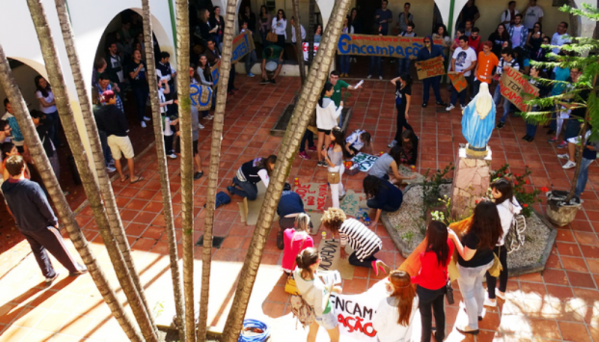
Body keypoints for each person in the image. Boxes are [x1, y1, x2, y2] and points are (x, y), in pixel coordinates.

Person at [2, 155, 87, 283]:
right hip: (40, 225)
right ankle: (74, 268)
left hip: (24, 226)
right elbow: (44, 206)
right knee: (59, 247)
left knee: (38, 250)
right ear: (23, 167)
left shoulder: (5, 187)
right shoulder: (31, 187)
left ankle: (49, 274)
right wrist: (53, 221)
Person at [448, 201, 503, 334]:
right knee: (478, 286)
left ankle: (473, 325)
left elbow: (466, 256)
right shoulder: (495, 227)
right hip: (486, 263)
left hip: (469, 269)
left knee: (468, 295)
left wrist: (455, 237)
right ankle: (478, 312)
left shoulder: (474, 236)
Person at [411, 221, 454, 342]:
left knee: (426, 317)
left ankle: (425, 340)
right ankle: (440, 336)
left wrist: (409, 278)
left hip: (426, 291)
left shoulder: (428, 256)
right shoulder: (449, 244)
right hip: (441, 286)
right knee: (439, 311)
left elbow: (425, 278)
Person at [485, 179, 521, 308]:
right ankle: (501, 291)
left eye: (496, 192)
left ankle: (491, 298)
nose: (493, 193)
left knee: (491, 270)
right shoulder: (511, 201)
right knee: (503, 267)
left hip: (494, 242)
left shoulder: (499, 209)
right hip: (503, 241)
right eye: (493, 190)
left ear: (503, 193)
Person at [321, 207, 391, 273]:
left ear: (332, 227)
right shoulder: (351, 220)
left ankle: (372, 263)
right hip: (377, 242)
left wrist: (342, 250)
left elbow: (343, 241)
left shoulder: (341, 230)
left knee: (352, 260)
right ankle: (376, 262)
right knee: (364, 254)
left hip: (369, 247)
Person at [294, 248, 342, 342]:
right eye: (319, 260)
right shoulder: (317, 288)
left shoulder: (297, 271)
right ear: (312, 265)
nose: (320, 261)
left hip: (309, 309)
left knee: (312, 335)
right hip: (324, 315)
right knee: (335, 337)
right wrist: (329, 291)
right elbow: (320, 310)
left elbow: (313, 287)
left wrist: (331, 289)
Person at [95, 90, 143, 184]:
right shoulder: (117, 110)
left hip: (110, 137)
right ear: (111, 99)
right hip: (121, 136)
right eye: (114, 97)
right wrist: (126, 131)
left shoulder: (99, 112)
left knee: (116, 158)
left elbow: (100, 126)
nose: (116, 99)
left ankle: (122, 177)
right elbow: (124, 125)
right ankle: (132, 177)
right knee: (129, 156)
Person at [373, 270, 418, 342]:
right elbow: (401, 298)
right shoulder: (415, 299)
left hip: (385, 339)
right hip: (405, 338)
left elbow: (376, 326)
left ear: (393, 286)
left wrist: (388, 293)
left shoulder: (385, 304)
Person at [462, 82, 496, 151]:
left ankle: (474, 144)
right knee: (484, 132)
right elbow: (493, 110)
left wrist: (465, 110)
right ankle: (481, 145)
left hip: (476, 120)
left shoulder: (478, 96)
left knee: (475, 130)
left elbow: (470, 107)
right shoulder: (490, 98)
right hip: (487, 120)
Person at [446, 36, 477, 112]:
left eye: (462, 42)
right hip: (457, 73)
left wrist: (466, 70)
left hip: (466, 74)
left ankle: (462, 103)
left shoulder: (471, 51)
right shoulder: (457, 49)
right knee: (454, 89)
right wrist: (454, 71)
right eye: (460, 42)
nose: (460, 44)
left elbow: (473, 63)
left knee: (463, 90)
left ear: (466, 42)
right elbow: (453, 61)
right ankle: (452, 104)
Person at [316, 83, 343, 167]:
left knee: (320, 142)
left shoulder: (318, 100)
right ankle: (325, 159)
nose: (333, 91)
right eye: (332, 89)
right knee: (326, 144)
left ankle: (319, 160)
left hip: (320, 125)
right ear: (327, 91)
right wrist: (341, 107)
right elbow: (334, 116)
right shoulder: (330, 103)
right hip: (328, 126)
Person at [417, 35, 447, 108]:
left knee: (436, 86)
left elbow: (443, 56)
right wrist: (417, 64)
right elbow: (418, 60)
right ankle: (425, 100)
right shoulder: (422, 51)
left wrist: (443, 58)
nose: (427, 43)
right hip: (426, 73)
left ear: (431, 42)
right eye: (425, 42)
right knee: (426, 87)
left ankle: (438, 100)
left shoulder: (437, 49)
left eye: (428, 42)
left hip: (435, 72)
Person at [322, 127, 348, 208]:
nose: (330, 135)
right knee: (338, 181)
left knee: (334, 191)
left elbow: (332, 164)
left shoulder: (337, 149)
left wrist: (325, 156)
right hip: (340, 167)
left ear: (335, 137)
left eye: (331, 134)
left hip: (335, 170)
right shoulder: (337, 144)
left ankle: (335, 209)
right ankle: (342, 193)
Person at [494, 47, 520, 129]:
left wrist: (506, 70)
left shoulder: (515, 64)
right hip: (500, 84)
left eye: (505, 57)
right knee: (494, 101)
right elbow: (497, 71)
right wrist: (504, 69)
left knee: (506, 104)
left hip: (509, 87)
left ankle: (502, 120)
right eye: (503, 56)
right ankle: (490, 118)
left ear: (509, 55)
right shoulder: (501, 60)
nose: (503, 58)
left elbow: (514, 76)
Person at [522, 66, 550, 142]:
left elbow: (546, 90)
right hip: (528, 103)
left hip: (535, 104)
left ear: (537, 71)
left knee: (533, 120)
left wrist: (539, 94)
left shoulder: (541, 81)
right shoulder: (529, 79)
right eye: (531, 68)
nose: (530, 70)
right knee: (527, 119)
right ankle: (528, 134)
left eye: (532, 69)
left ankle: (531, 135)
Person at [30, 110, 60, 178]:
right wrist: (42, 119)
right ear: (32, 118)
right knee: (54, 172)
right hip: (47, 152)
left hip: (48, 150)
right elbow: (51, 122)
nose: (41, 119)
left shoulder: (37, 128)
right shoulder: (36, 129)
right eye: (39, 117)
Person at [126, 49, 150, 128]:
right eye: (136, 53)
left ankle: (143, 116)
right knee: (140, 103)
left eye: (139, 53)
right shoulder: (131, 65)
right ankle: (141, 120)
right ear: (133, 55)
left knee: (144, 102)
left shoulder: (143, 63)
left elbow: (146, 74)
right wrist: (139, 68)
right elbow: (132, 76)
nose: (138, 54)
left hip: (144, 86)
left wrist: (148, 84)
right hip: (137, 87)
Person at [389, 74, 414, 147]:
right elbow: (392, 81)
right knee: (404, 123)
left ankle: (396, 141)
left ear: (405, 81)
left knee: (399, 126)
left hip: (402, 110)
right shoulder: (399, 84)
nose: (400, 80)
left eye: (401, 79)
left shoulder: (407, 89)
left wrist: (406, 112)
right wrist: (399, 77)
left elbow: (408, 102)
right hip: (399, 107)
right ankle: (413, 135)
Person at [34, 76, 60, 147]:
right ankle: (51, 145)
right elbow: (44, 104)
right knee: (51, 130)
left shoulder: (49, 88)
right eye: (41, 82)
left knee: (56, 127)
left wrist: (52, 102)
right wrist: (54, 102)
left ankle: (56, 142)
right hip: (46, 113)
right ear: (38, 84)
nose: (44, 82)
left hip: (54, 110)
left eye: (44, 80)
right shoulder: (38, 92)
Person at [195, 55, 214, 123]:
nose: (204, 60)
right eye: (202, 59)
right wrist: (210, 83)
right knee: (204, 100)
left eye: (205, 59)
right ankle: (205, 115)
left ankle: (207, 114)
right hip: (203, 86)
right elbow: (202, 80)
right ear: (199, 60)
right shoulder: (199, 69)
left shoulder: (207, 66)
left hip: (208, 85)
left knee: (208, 100)